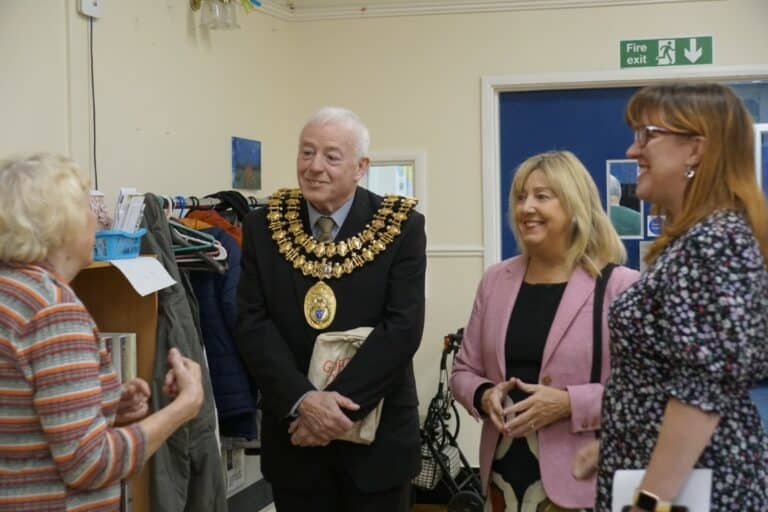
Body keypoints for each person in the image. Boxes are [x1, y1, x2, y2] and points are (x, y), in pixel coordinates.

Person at [235, 107, 426, 512]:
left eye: (331, 156)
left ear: (361, 167)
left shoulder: (401, 227)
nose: (314, 167)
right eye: (306, 153)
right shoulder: (262, 226)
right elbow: (252, 323)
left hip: (377, 444)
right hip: (294, 438)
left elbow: (402, 329)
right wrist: (303, 401)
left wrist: (330, 409)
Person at [593, 82, 768, 511]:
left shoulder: (715, 240)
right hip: (671, 475)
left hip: (693, 487)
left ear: (695, 149)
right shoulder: (694, 239)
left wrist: (653, 499)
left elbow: (703, 386)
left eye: (646, 135)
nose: (634, 152)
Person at [0, 153, 204, 511]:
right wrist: (184, 408)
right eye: (86, 207)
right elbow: (90, 464)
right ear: (60, 224)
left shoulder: (12, 294)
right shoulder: (52, 311)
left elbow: (22, 419)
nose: (97, 218)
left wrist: (103, 404)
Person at [449, 150, 638, 511]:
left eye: (542, 196)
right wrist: (483, 393)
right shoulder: (494, 281)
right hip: (502, 481)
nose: (526, 207)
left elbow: (643, 394)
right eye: (520, 197)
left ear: (575, 206)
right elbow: (463, 371)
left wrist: (569, 403)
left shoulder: (619, 287)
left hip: (583, 479)